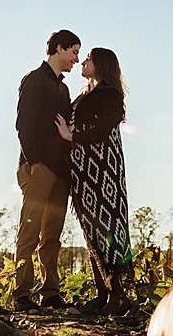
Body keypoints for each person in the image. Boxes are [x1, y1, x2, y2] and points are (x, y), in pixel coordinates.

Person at [55, 47, 133, 315]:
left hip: (104, 174)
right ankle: (103, 294)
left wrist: (70, 137)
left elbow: (101, 130)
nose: (82, 63)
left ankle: (118, 295)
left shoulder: (111, 95)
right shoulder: (86, 94)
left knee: (108, 227)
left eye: (87, 59)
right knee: (91, 231)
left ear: (100, 65)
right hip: (84, 175)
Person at [13, 29, 80, 312]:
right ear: (59, 48)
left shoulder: (63, 89)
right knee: (29, 231)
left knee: (52, 235)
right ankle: (21, 293)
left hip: (60, 171)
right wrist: (34, 162)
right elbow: (23, 125)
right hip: (38, 167)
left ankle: (50, 292)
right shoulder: (34, 81)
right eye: (74, 52)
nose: (76, 59)